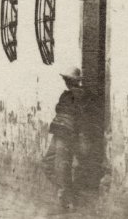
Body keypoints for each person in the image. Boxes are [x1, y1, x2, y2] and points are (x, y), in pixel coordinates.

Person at [46, 66, 86, 211]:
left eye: (68, 80)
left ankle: (65, 201)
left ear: (74, 81)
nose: (66, 82)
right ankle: (66, 193)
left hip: (67, 134)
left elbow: (80, 117)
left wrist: (80, 136)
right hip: (58, 131)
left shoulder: (79, 96)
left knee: (62, 167)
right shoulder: (66, 95)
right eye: (66, 79)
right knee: (47, 164)